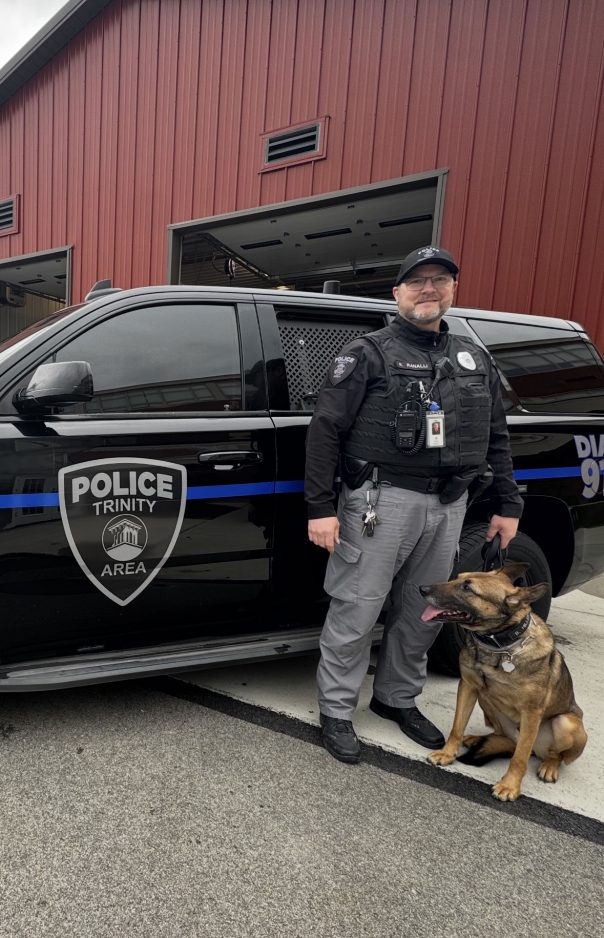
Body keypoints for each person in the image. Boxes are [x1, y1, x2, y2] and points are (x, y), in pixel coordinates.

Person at [304, 245, 523, 764]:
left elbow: (496, 435)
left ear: (453, 289)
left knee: (425, 613)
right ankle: (336, 710)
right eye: (417, 281)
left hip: (449, 504)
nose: (429, 289)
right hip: (381, 502)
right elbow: (325, 430)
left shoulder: (474, 357)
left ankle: (396, 698)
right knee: (357, 607)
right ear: (397, 292)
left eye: (439, 280)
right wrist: (320, 507)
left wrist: (508, 503)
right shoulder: (367, 353)